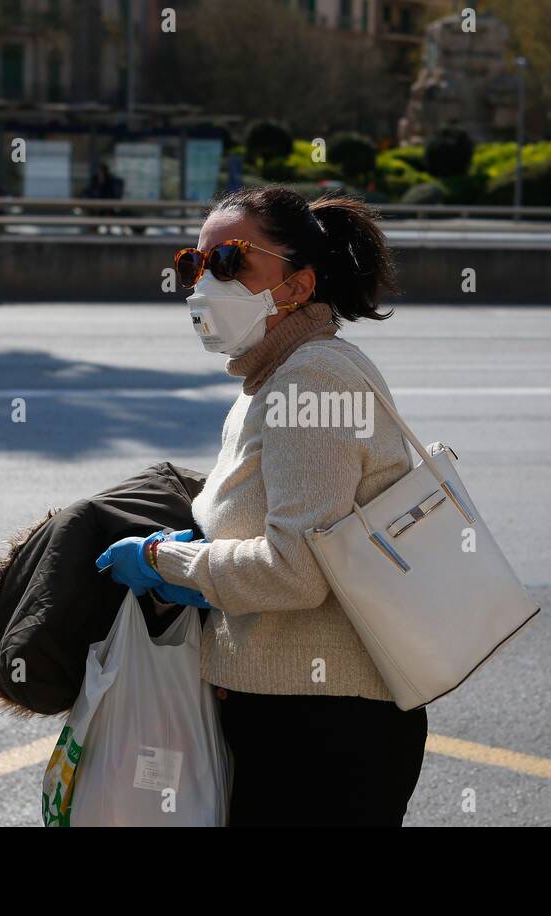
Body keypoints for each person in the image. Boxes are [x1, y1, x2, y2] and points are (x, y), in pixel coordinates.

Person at [96, 187, 428, 826]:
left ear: (297, 288)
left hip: (322, 730)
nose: (202, 281)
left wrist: (168, 562)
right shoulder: (272, 378)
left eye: (229, 262)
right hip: (290, 713)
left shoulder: (311, 379)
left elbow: (297, 569)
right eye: (195, 264)